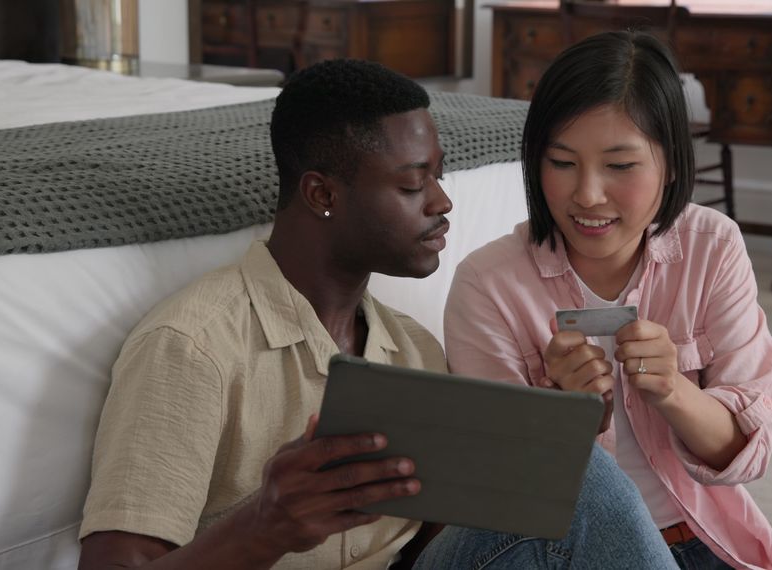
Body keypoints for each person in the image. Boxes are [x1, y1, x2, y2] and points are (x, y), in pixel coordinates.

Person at [76, 58, 677, 569]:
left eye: (438, 175)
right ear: (323, 195)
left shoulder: (411, 349)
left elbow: (448, 544)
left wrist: (534, 447)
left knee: (566, 472)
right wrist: (265, 526)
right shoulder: (193, 346)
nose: (443, 202)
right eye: (413, 185)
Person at [443, 31, 772, 570]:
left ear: (671, 164)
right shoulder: (486, 283)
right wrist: (570, 418)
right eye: (561, 162)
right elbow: (497, 499)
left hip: (700, 536)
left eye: (621, 165)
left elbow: (747, 454)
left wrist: (673, 390)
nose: (587, 194)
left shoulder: (712, 247)